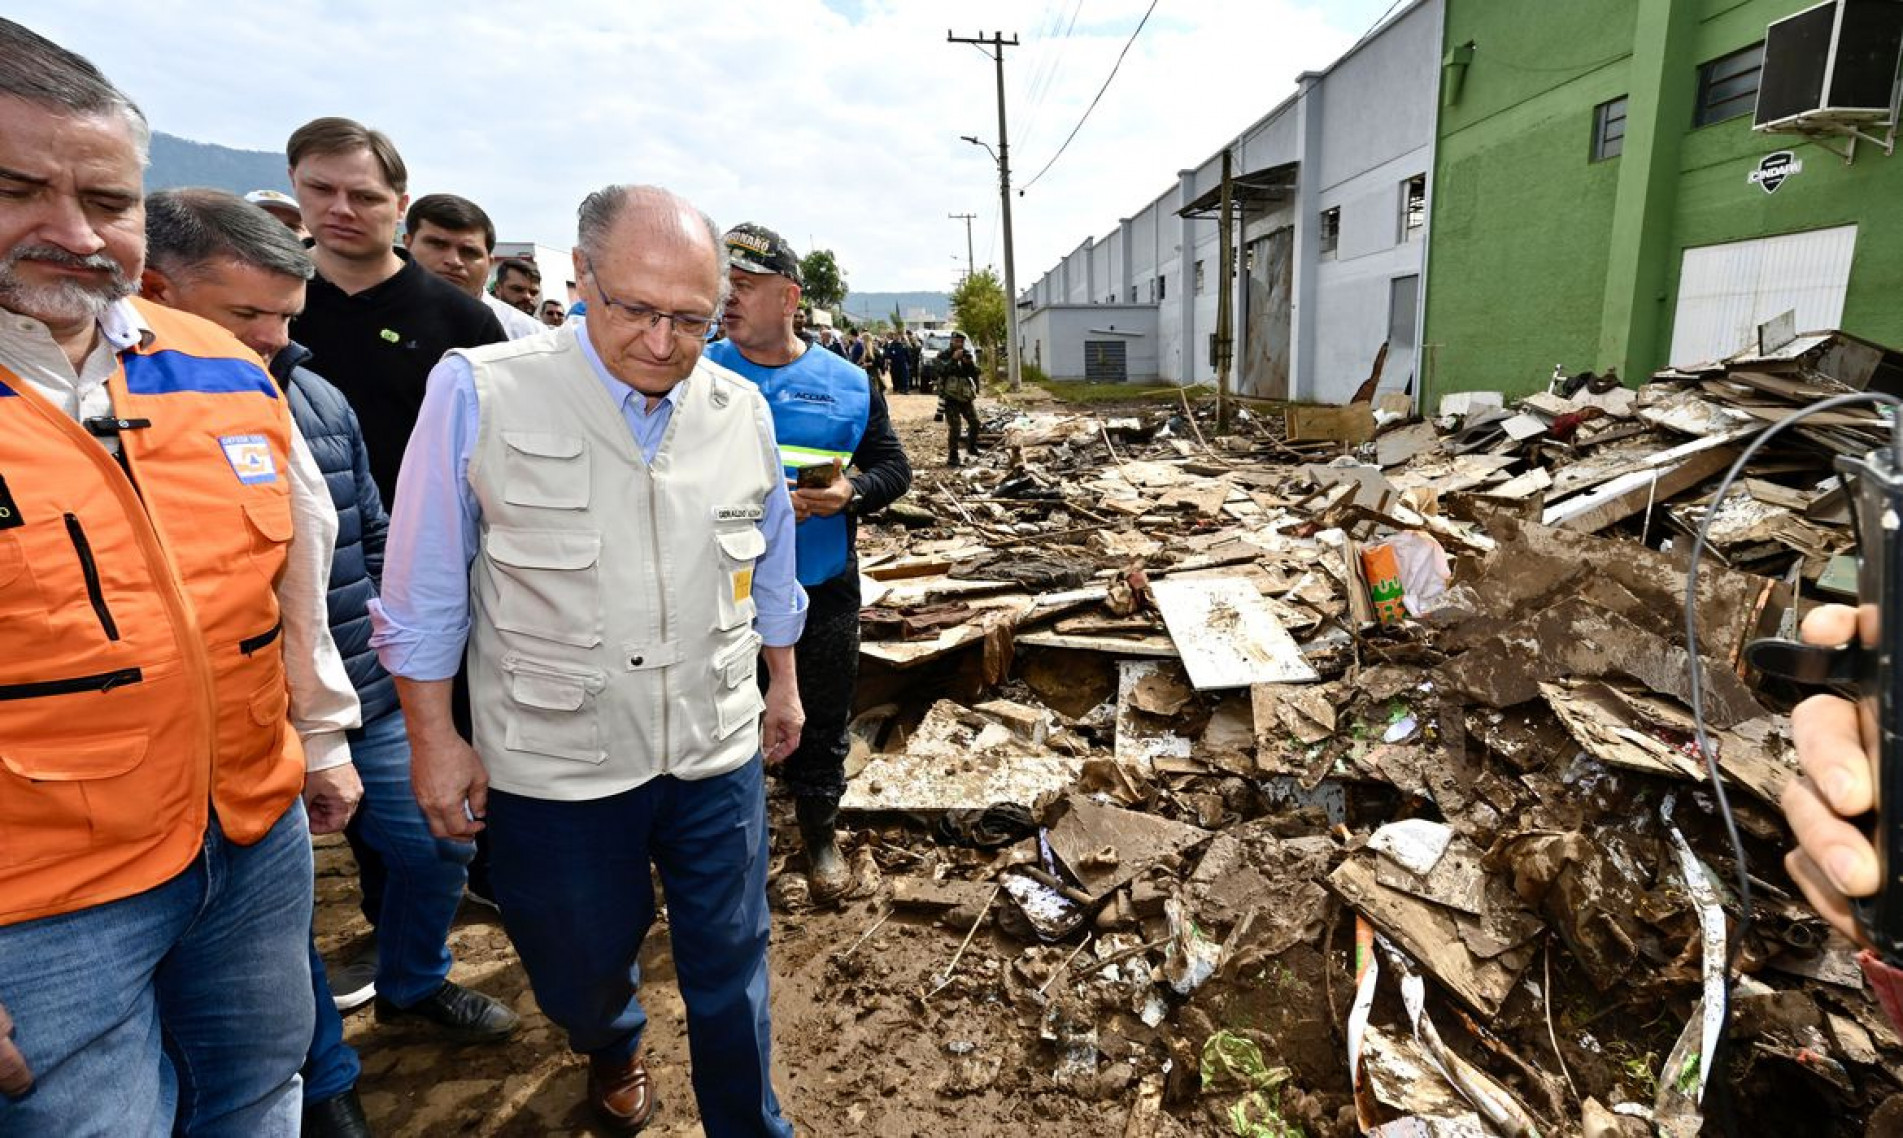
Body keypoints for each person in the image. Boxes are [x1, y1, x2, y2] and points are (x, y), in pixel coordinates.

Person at [372, 185, 807, 1136]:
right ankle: (609, 1041)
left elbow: (769, 563)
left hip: (712, 742)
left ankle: (748, 1122)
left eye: (691, 319)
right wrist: (434, 741)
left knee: (734, 956)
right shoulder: (481, 387)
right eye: (635, 309)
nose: (661, 341)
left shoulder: (740, 408)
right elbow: (425, 591)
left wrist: (784, 686)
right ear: (581, 278)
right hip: (556, 759)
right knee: (574, 957)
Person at [0, 21, 363, 1133]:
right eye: (18, 188)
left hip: (251, 840)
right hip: (43, 906)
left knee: (259, 1090)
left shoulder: (219, 365)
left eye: (107, 200)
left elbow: (294, 575)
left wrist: (327, 733)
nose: (73, 231)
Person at [141, 188, 520, 1138]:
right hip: (230, 724)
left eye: (285, 315)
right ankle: (322, 1071)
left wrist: (410, 666)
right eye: (246, 315)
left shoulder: (312, 397)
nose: (270, 336)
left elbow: (375, 534)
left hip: (367, 691)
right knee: (272, 920)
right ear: (155, 289)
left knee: (438, 840)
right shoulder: (115, 421)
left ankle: (414, 981)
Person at [286, 116, 509, 927]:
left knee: (446, 729)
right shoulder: (272, 302)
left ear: (395, 203)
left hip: (435, 572)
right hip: (295, 575)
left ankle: (463, 876)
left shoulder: (459, 323)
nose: (342, 209)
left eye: (364, 194)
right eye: (322, 190)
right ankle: (379, 912)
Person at [705, 223, 911, 903]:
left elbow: (891, 468)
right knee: (719, 722)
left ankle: (819, 835)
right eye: (722, 286)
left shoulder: (848, 383)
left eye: (744, 286)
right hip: (713, 592)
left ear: (790, 296)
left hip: (818, 583)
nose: (726, 299)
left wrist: (851, 493)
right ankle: (732, 845)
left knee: (818, 718)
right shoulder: (693, 372)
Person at [403, 194, 542, 340]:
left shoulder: (531, 337)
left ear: (489, 261)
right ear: (408, 244)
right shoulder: (379, 311)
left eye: (469, 252)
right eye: (438, 245)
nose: (454, 261)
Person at [940, 331, 982, 466]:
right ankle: (953, 456)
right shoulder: (944, 355)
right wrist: (953, 359)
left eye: (961, 342)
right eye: (957, 341)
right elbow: (941, 371)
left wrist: (968, 363)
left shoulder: (966, 354)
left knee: (975, 422)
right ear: (951, 341)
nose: (959, 344)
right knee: (956, 427)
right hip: (950, 397)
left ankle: (972, 447)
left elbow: (976, 372)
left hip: (965, 396)